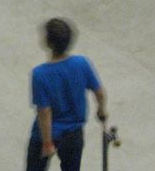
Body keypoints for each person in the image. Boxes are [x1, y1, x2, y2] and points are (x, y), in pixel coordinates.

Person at [26, 18, 107, 171]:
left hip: (47, 135)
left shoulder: (40, 74)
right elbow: (99, 93)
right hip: (74, 134)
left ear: (49, 43)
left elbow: (45, 112)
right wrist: (101, 110)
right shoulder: (82, 63)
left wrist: (48, 143)